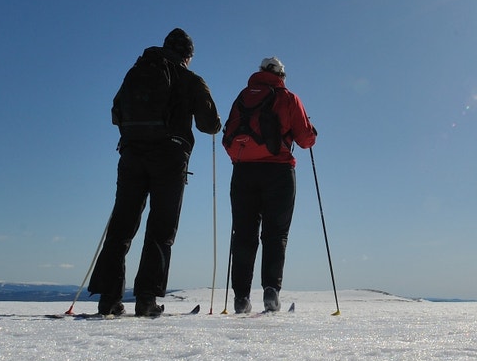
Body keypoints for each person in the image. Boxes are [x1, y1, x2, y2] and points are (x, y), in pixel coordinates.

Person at [88, 28, 221, 317]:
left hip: (132, 155)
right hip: (170, 158)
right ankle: (146, 299)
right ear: (188, 55)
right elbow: (209, 125)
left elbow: (116, 112)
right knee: (161, 228)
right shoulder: (190, 79)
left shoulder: (135, 73)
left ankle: (109, 298)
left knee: (122, 225)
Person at [223, 56, 317, 313]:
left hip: (243, 171)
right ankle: (271, 292)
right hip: (278, 171)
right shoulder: (288, 98)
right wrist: (312, 132)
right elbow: (305, 139)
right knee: (275, 234)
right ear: (281, 75)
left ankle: (241, 297)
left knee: (244, 234)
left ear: (260, 71)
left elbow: (229, 134)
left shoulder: (243, 97)